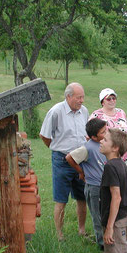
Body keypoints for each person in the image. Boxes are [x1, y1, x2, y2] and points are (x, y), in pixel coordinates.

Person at [39, 82, 89, 241]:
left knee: (82, 197)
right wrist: (57, 148)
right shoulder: (56, 112)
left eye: (82, 97)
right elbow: (45, 136)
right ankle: (59, 235)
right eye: (78, 97)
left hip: (81, 160)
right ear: (68, 96)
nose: (81, 100)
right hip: (62, 160)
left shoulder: (84, 111)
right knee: (61, 199)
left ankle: (82, 230)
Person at [65, 118, 107, 250]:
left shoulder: (103, 144)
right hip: (94, 187)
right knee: (97, 215)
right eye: (103, 132)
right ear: (93, 136)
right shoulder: (87, 147)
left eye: (106, 130)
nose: (106, 134)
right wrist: (81, 172)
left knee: (106, 213)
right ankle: (102, 244)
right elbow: (69, 158)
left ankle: (108, 238)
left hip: (104, 185)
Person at [89, 88, 127, 172]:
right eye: (108, 99)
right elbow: (90, 136)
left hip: (124, 156)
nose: (112, 100)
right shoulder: (96, 115)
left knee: (124, 183)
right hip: (106, 158)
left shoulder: (121, 112)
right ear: (102, 102)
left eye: (114, 98)